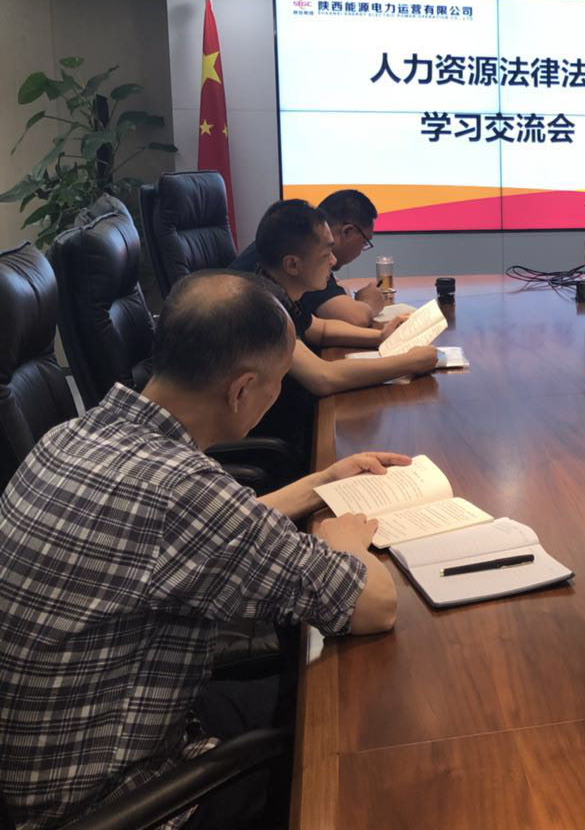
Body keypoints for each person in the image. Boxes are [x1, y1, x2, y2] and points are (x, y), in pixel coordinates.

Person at [0, 272, 403, 829]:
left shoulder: (73, 436)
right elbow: (374, 604)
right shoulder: (181, 491)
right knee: (364, 734)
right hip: (121, 800)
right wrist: (343, 541)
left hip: (52, 761)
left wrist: (324, 482)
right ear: (241, 390)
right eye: (278, 382)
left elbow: (197, 528)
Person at [240, 200, 437, 460]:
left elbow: (318, 329)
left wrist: (380, 337)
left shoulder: (277, 287)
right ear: (293, 265)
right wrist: (410, 362)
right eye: (326, 255)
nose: (333, 261)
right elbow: (324, 377)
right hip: (278, 444)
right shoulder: (262, 307)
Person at [233, 189, 386, 325]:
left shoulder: (290, 241)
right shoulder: (303, 259)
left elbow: (317, 329)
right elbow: (355, 318)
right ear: (347, 231)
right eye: (364, 242)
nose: (332, 260)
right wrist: (369, 303)